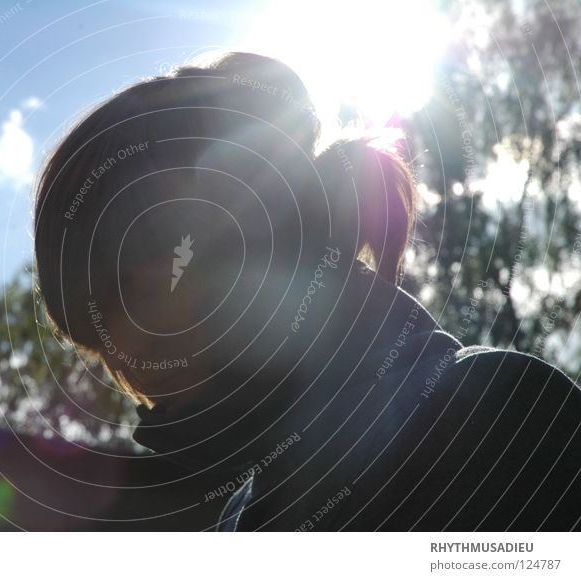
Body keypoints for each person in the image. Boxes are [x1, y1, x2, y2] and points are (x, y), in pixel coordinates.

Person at [33, 52, 581, 531]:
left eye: (133, 286)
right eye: (93, 335)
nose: (127, 353)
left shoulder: (493, 410)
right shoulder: (241, 524)